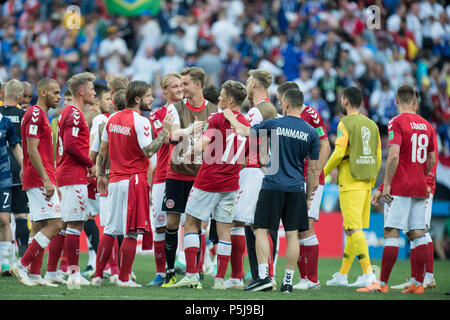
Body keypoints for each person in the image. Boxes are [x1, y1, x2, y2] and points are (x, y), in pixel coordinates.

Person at [224, 88, 320, 293]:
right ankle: (287, 282)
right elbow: (313, 170)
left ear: (285, 104)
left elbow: (243, 131)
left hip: (272, 186)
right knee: (293, 234)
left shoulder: (275, 123)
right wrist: (308, 196)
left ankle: (264, 277)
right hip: (296, 188)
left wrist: (230, 117)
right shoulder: (311, 132)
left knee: (261, 230)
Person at [93, 80, 174, 287]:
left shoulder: (111, 119)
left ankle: (97, 276)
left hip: (115, 180)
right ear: (137, 99)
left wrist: (101, 174)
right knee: (130, 232)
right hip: (133, 180)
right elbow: (148, 151)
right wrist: (165, 132)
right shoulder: (141, 122)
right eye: (148, 95)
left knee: (110, 229)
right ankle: (123, 278)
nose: (152, 99)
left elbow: (103, 150)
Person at [172, 80, 250, 289]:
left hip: (208, 180)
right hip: (231, 183)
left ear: (231, 100)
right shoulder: (245, 124)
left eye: (222, 95)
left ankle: (190, 274)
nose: (218, 98)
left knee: (190, 223)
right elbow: (244, 158)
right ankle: (220, 280)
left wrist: (188, 153)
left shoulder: (216, 118)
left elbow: (203, 144)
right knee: (225, 230)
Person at [358, 84, 436, 294]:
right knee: (418, 234)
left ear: (396, 101)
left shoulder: (397, 122)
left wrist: (388, 186)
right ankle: (418, 284)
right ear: (415, 102)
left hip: (400, 187)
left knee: (391, 232)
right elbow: (432, 160)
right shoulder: (427, 126)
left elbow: (393, 156)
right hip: (420, 186)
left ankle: (381, 284)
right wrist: (419, 173)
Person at [161, 67, 218, 288]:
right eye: (179, 84)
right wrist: (190, 131)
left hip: (202, 176)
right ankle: (169, 272)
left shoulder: (213, 111)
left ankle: (198, 271)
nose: (181, 88)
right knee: (173, 222)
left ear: (197, 85)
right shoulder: (175, 109)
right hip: (176, 173)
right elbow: (172, 135)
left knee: (198, 224)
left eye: (185, 84)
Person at [324, 86, 381, 288]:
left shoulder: (344, 123)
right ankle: (343, 274)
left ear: (346, 101)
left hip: (350, 182)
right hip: (366, 183)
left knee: (353, 229)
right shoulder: (372, 125)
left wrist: (322, 172)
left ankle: (368, 273)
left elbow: (339, 152)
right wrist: (373, 183)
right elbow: (378, 156)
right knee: (350, 230)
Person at [276, 81, 331, 290]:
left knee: (306, 228)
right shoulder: (284, 118)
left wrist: (316, 171)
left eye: (281, 100)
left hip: (311, 179)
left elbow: (325, 143)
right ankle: (306, 278)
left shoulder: (311, 114)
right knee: (297, 230)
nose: (281, 104)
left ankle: (313, 279)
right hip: (294, 179)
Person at [11, 78, 65, 287]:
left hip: (41, 176)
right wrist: (46, 179)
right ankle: (22, 265)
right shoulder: (35, 114)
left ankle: (34, 275)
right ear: (42, 92)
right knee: (56, 224)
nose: (58, 96)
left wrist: (52, 179)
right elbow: (31, 149)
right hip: (37, 177)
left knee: (41, 225)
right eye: (55, 92)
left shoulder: (40, 115)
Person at [234, 69, 278, 289]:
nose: (246, 84)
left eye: (248, 81)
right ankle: (262, 275)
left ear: (253, 84)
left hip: (256, 171)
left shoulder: (258, 111)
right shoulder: (270, 109)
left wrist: (229, 116)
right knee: (254, 225)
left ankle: (265, 276)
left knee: (256, 226)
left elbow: (247, 135)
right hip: (263, 170)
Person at [54, 72, 97, 289]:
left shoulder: (68, 112)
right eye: (91, 88)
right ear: (81, 91)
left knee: (67, 224)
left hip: (68, 173)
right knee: (75, 224)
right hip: (73, 174)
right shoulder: (75, 114)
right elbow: (71, 145)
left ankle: (54, 271)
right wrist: (90, 163)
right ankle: (73, 274)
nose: (94, 92)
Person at [146, 73, 183, 287]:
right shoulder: (157, 114)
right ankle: (161, 273)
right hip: (163, 175)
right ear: (165, 91)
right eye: (175, 86)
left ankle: (192, 270)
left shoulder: (191, 112)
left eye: (181, 85)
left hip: (188, 175)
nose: (179, 89)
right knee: (161, 227)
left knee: (193, 226)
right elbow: (163, 140)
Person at [89, 89, 126, 285]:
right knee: (124, 230)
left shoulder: (105, 124)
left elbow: (95, 153)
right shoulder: (136, 122)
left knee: (109, 228)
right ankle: (118, 273)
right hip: (126, 180)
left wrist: (98, 173)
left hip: (107, 180)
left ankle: (101, 273)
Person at [82, 83, 113, 278]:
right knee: (109, 223)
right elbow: (95, 147)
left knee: (88, 218)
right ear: (97, 100)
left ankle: (101, 265)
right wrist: (96, 169)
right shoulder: (100, 117)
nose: (110, 102)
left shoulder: (88, 116)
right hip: (97, 172)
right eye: (107, 99)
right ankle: (109, 266)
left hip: (90, 172)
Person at [0, 80, 30, 272]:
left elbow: (16, 145)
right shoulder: (25, 115)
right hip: (14, 177)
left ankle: (12, 260)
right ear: (20, 97)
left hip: (8, 176)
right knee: (19, 216)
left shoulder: (5, 121)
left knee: (7, 218)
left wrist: (25, 167)